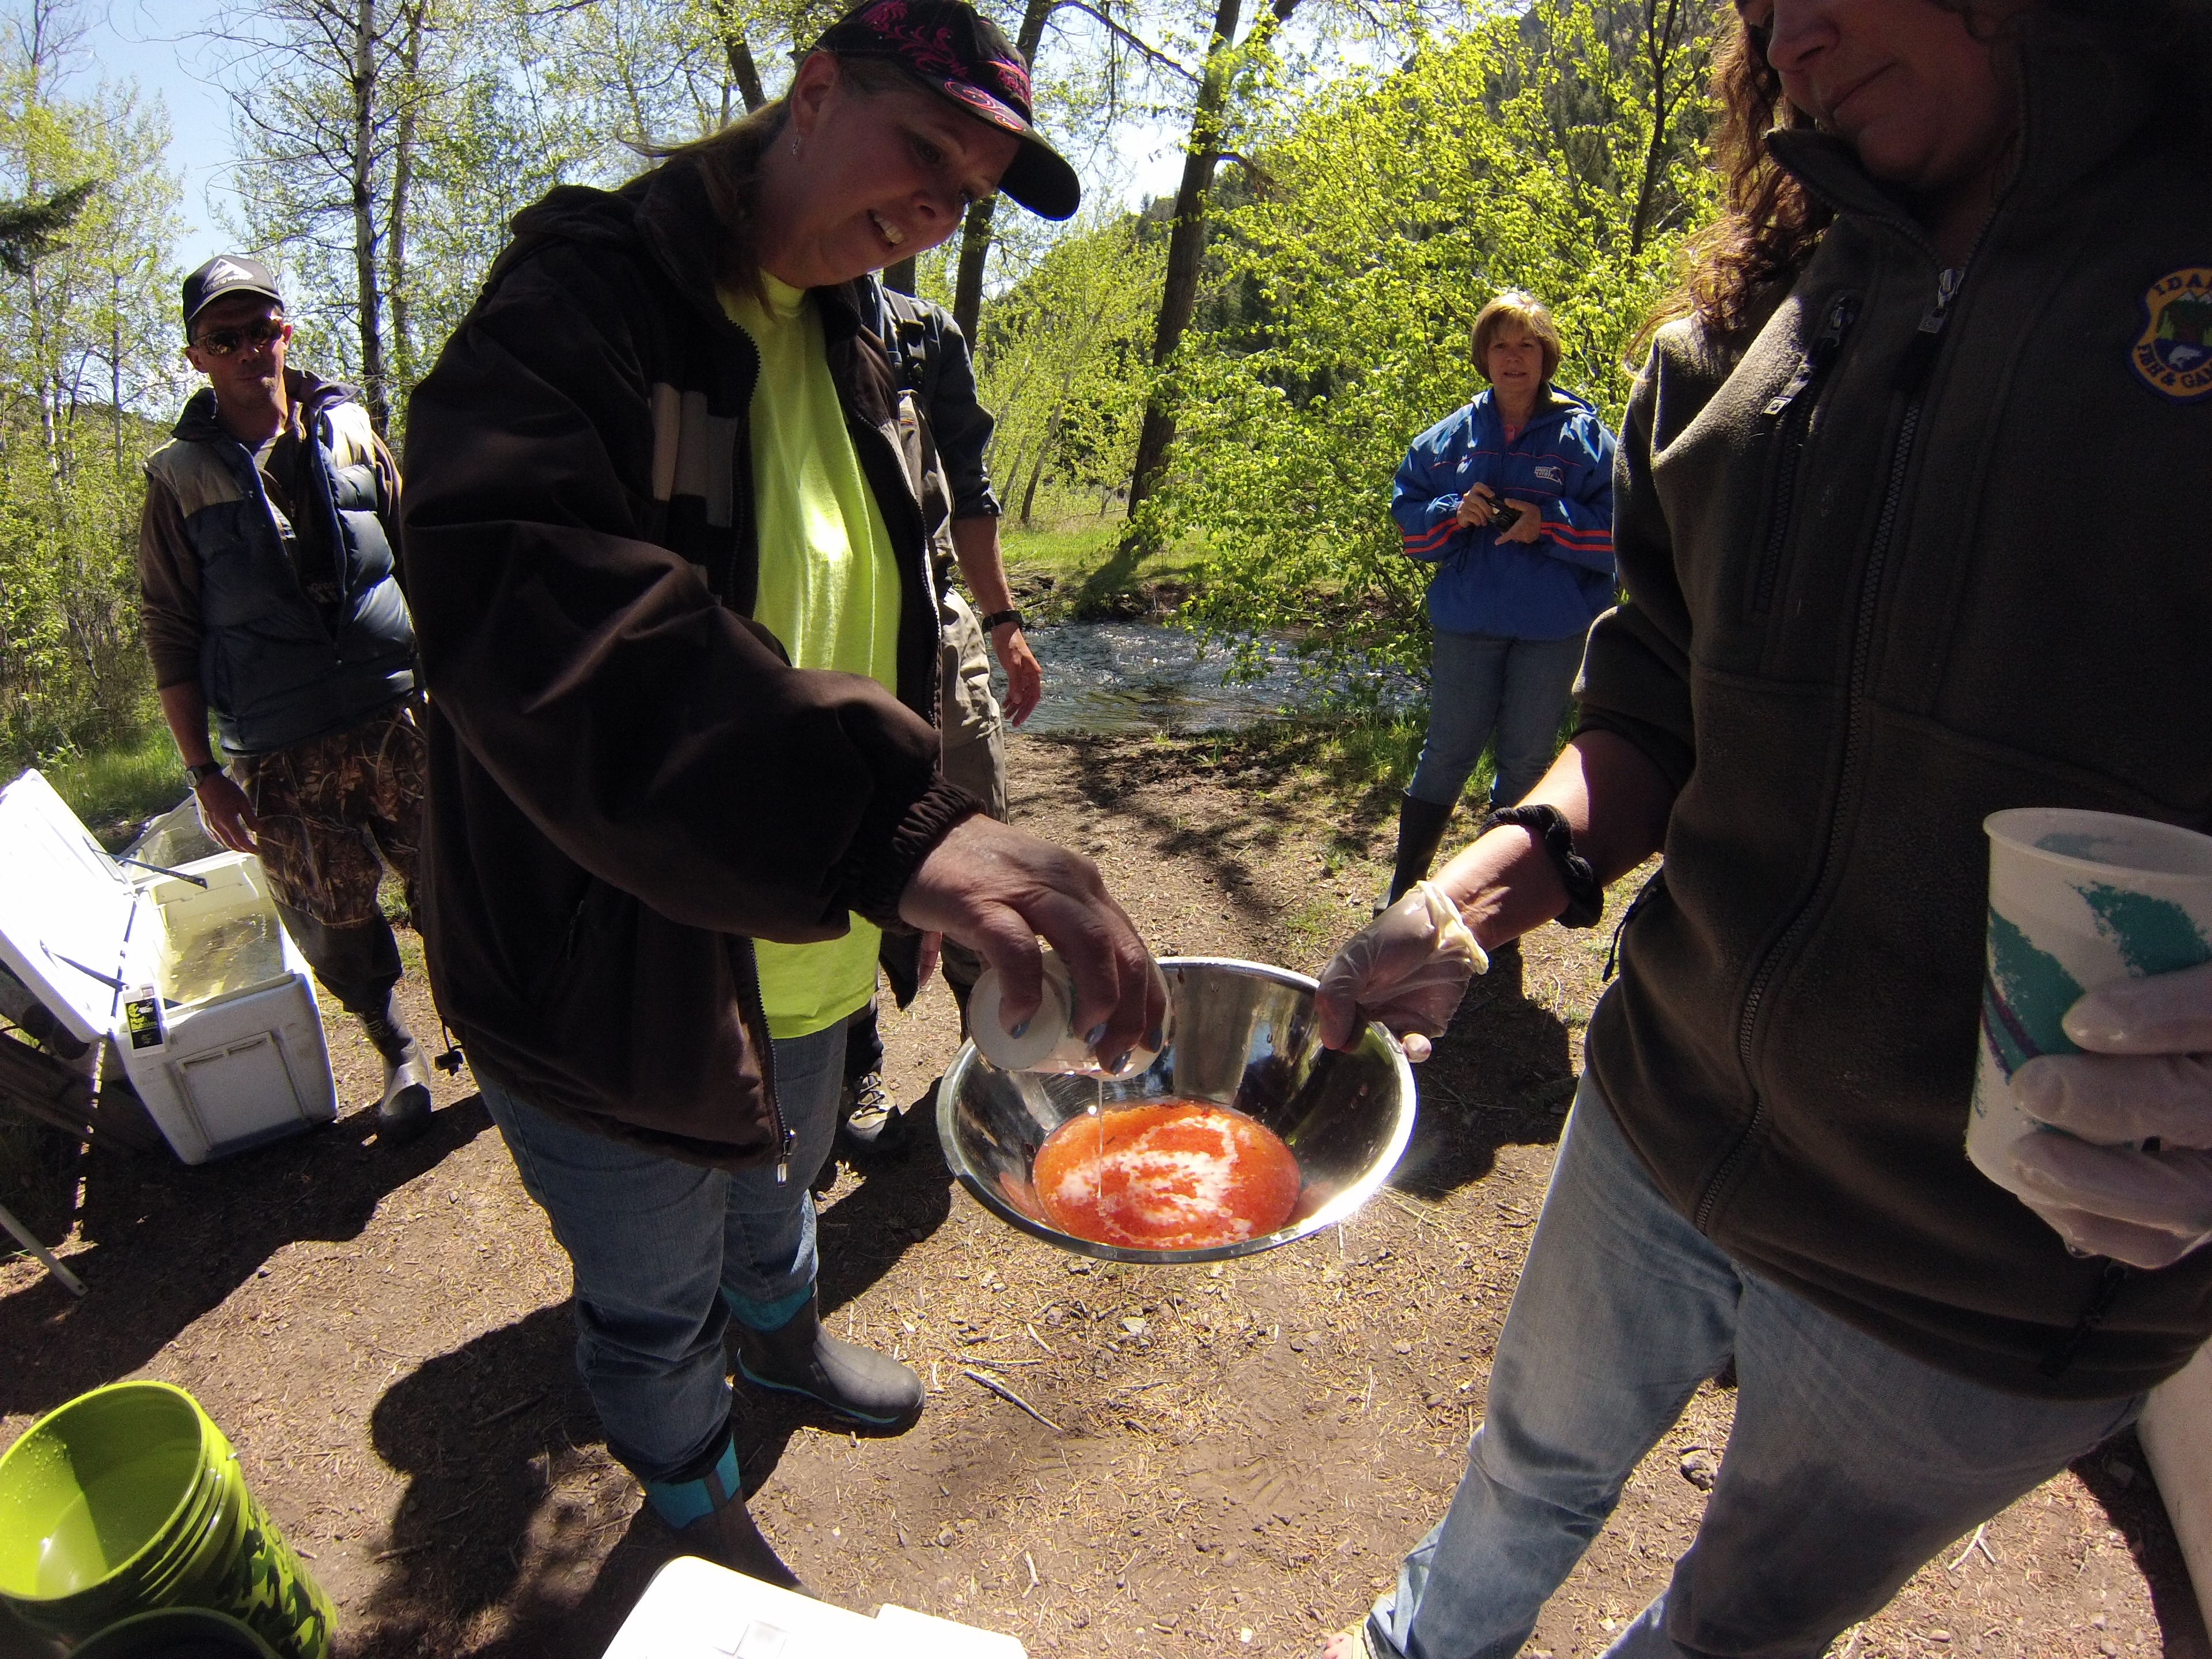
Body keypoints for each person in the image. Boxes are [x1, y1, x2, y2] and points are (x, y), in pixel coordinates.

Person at [1315, 1, 2212, 1653]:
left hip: (1988, 1263)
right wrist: (1483, 890)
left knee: (1730, 1628)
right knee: (1520, 1478)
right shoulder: (1736, 337)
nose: (1794, 36)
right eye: (1757, 5)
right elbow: (1653, 700)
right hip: (1662, 1110)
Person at [399, 0, 1160, 1585]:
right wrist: (893, 827)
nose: (935, 207)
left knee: (784, 1180)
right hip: (616, 950)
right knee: (650, 1279)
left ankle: (792, 1342)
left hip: (809, 926)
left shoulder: (864, 332)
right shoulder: (588, 302)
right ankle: (690, 1500)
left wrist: (934, 830)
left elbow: (890, 614)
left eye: (968, 194)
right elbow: (547, 618)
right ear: (813, 90)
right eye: (922, 151)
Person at [138, 254, 435, 1143]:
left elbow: (420, 557)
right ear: (197, 357)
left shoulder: (352, 434)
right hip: (278, 749)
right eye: (223, 338)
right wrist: (203, 773)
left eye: (261, 329)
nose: (247, 351)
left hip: (401, 721)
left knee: (456, 884)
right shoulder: (178, 478)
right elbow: (169, 632)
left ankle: (496, 1034)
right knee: (334, 925)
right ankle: (394, 1046)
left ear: (286, 333)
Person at [832, 277, 1046, 1155]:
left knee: (977, 841)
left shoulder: (927, 336)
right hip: (820, 632)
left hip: (939, 619)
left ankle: (989, 1047)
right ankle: (852, 1070)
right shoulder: (761, 315)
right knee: (838, 854)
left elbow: (971, 487)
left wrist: (1003, 623)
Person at [1382, 291, 1617, 909]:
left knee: (1525, 764)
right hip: (1469, 621)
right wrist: (1453, 513)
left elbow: (1627, 531)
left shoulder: (1586, 438)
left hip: (1553, 629)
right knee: (1446, 754)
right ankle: (1403, 893)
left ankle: (1494, 904)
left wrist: (1552, 523)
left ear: (1547, 356)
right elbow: (1408, 519)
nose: (1514, 358)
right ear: (1484, 357)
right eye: (1501, 345)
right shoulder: (1449, 438)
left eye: (1528, 345)